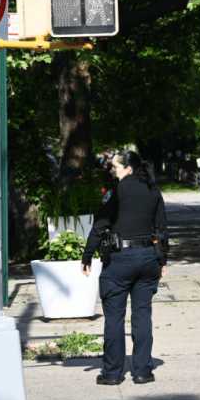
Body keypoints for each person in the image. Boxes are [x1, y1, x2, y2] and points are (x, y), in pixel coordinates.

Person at [82, 150, 167, 385]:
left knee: (114, 318)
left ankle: (112, 373)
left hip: (119, 261)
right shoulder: (153, 190)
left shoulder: (116, 193)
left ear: (128, 168)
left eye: (117, 167)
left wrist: (87, 255)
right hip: (148, 259)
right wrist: (163, 260)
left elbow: (100, 225)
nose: (113, 170)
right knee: (142, 315)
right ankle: (142, 371)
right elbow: (161, 228)